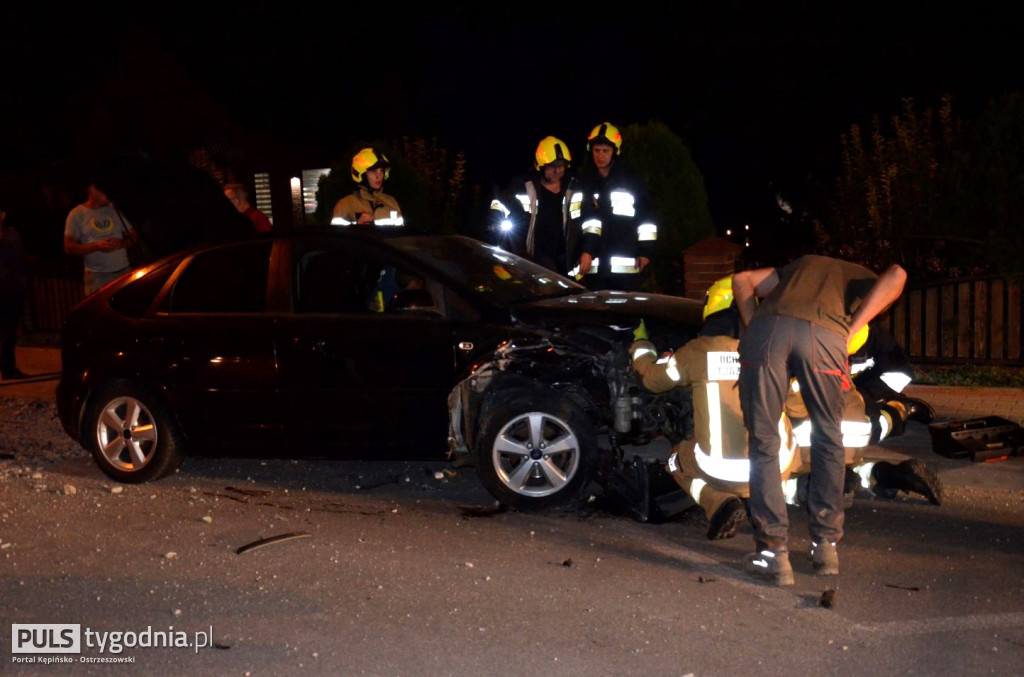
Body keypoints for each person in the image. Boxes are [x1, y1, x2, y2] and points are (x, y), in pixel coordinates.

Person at [733, 255, 908, 585]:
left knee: (764, 441)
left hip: (767, 332)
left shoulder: (793, 270)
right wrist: (852, 327)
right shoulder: (859, 275)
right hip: (825, 338)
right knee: (829, 436)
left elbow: (742, 279)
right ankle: (825, 547)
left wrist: (753, 323)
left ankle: (772, 554)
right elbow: (897, 273)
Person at [488, 136, 596, 277]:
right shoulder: (522, 185)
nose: (557, 171)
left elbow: (592, 222)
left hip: (567, 265)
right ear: (541, 166)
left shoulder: (576, 187)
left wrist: (588, 251)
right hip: (531, 261)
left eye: (561, 166)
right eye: (552, 166)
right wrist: (496, 220)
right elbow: (499, 204)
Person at [578, 122, 657, 291]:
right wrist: (587, 251)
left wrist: (645, 251)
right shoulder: (587, 183)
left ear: (615, 151)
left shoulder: (631, 180)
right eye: (596, 151)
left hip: (627, 264)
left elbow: (646, 218)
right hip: (597, 266)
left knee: (628, 313)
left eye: (605, 151)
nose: (600, 156)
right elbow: (587, 222)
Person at [64, 182, 139, 296]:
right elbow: (69, 247)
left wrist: (121, 243)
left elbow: (133, 236)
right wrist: (96, 246)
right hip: (98, 277)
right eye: (102, 190)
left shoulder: (114, 209)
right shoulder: (76, 214)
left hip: (124, 271)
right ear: (92, 189)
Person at [331, 148, 405, 231]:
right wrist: (356, 227)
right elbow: (337, 240)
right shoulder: (345, 205)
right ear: (361, 174)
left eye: (381, 171)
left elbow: (401, 238)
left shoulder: (391, 202)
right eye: (374, 171)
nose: (379, 176)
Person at [0, 205, 30, 381]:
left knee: (9, 331)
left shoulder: (12, 234)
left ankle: (8, 368)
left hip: (11, 289)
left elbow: (19, 258)